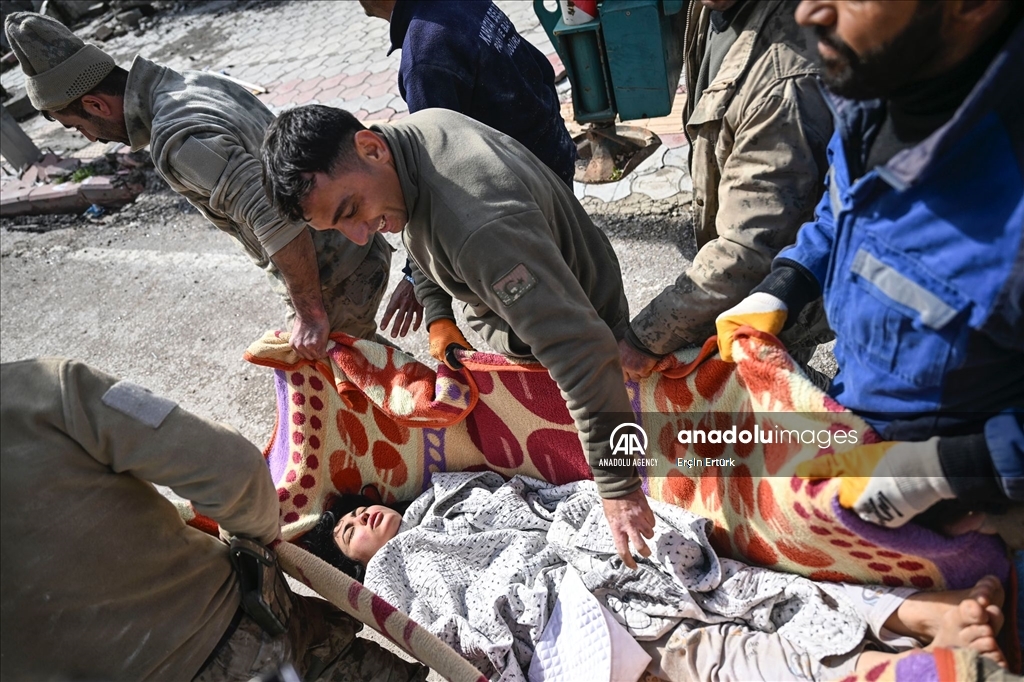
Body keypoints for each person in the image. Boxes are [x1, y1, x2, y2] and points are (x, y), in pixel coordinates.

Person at [261, 105, 654, 570]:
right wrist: (437, 313)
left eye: (351, 211)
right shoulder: (412, 139)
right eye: (338, 226)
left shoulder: (476, 228)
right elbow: (418, 227)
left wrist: (620, 489)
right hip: (546, 307)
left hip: (575, 339)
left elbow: (582, 354)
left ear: (370, 148)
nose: (360, 234)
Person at [715, 0, 1024, 534]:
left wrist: (943, 470)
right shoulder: (879, 79)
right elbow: (847, 206)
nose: (808, 12)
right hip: (859, 442)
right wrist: (788, 282)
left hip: (975, 518)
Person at [303, 472, 1009, 682]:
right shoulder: (394, 585)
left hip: (599, 559)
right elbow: (457, 636)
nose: (360, 519)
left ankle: (926, 614)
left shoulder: (454, 492)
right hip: (556, 622)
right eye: (345, 531)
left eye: (360, 509)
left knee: (744, 589)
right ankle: (917, 660)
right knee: (716, 659)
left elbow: (548, 498)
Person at [3, 12, 410, 361]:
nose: (91, 139)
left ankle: (451, 417)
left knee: (353, 378)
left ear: (95, 105)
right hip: (352, 250)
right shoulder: (192, 83)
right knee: (361, 366)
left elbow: (272, 217)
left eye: (79, 127)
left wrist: (310, 313)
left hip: (337, 273)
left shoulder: (178, 138)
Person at [0, 358, 428, 681]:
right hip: (241, 625)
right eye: (347, 526)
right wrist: (256, 548)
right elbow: (232, 470)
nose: (361, 516)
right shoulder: (37, 396)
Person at [618, 0, 834, 382]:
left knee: (778, 402)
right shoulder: (713, 9)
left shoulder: (783, 84)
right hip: (766, 273)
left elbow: (747, 252)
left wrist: (645, 337)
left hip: (786, 292)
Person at [357, 0, 578, 339]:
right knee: (570, 278)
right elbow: (539, 68)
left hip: (520, 202)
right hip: (552, 162)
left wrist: (419, 278)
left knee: (537, 325)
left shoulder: (425, 57)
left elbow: (433, 172)